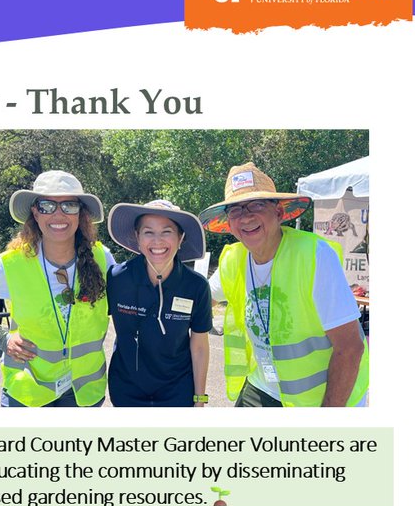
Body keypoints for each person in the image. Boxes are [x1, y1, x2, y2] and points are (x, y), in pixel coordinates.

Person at [200, 162, 369, 407]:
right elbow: (198, 299)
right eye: (235, 210)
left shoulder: (313, 255)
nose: (246, 216)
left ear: (278, 212)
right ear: (229, 223)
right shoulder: (233, 259)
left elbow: (351, 348)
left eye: (256, 204)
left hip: (322, 398)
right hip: (262, 386)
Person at [0, 170, 115, 407]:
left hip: (85, 392)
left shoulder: (102, 258)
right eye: (47, 206)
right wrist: (4, 339)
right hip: (29, 389)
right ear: (35, 212)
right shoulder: (9, 264)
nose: (58, 214)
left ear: (81, 213)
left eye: (69, 206)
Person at [106, 199, 212, 407]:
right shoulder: (117, 279)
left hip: (178, 391)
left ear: (180, 238)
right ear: (137, 237)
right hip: (126, 390)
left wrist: (199, 400)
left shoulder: (196, 286)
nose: (157, 241)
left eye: (166, 231)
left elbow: (199, 346)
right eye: (148, 232)